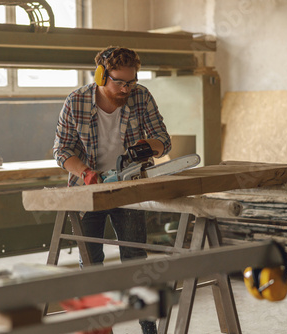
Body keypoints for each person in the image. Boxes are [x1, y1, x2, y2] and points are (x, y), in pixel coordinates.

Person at [53, 46, 171, 334]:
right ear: (101, 76)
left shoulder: (141, 96)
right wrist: (85, 172)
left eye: (131, 81)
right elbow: (61, 149)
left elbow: (163, 140)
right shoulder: (76, 101)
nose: (126, 88)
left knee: (135, 260)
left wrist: (147, 147)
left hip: (128, 188)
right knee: (91, 264)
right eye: (119, 82)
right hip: (87, 191)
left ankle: (148, 328)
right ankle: (99, 328)